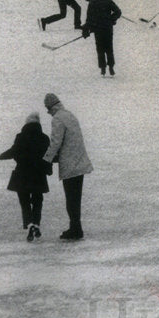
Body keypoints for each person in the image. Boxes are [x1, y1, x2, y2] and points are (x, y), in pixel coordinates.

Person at [42, 93, 93, 240]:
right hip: (79, 162)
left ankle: (75, 229)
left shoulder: (58, 118)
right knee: (75, 199)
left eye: (48, 109)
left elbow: (55, 142)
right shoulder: (69, 115)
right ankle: (76, 227)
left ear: (51, 107)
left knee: (71, 199)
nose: (48, 113)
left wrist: (46, 160)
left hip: (71, 165)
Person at [0, 112, 51, 242]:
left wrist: (2, 155)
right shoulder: (44, 138)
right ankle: (36, 224)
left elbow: (14, 151)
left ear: (26, 123)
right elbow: (48, 156)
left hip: (22, 175)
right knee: (38, 201)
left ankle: (29, 224)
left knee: (25, 201)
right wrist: (48, 170)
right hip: (39, 175)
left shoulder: (21, 136)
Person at [82, 0, 122, 76]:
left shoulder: (92, 2)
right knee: (109, 48)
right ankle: (111, 67)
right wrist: (111, 19)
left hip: (97, 29)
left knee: (100, 49)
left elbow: (89, 18)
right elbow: (118, 12)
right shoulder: (108, 1)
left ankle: (103, 68)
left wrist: (86, 29)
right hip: (108, 29)